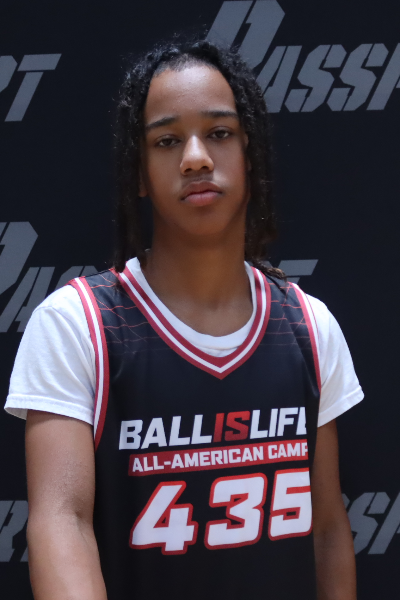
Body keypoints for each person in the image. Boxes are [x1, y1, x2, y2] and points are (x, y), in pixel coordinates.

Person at [5, 39, 363, 600]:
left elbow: (326, 529)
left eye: (219, 133)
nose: (196, 158)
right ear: (140, 173)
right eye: (167, 141)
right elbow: (62, 522)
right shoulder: (78, 324)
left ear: (250, 153)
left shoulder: (307, 327)